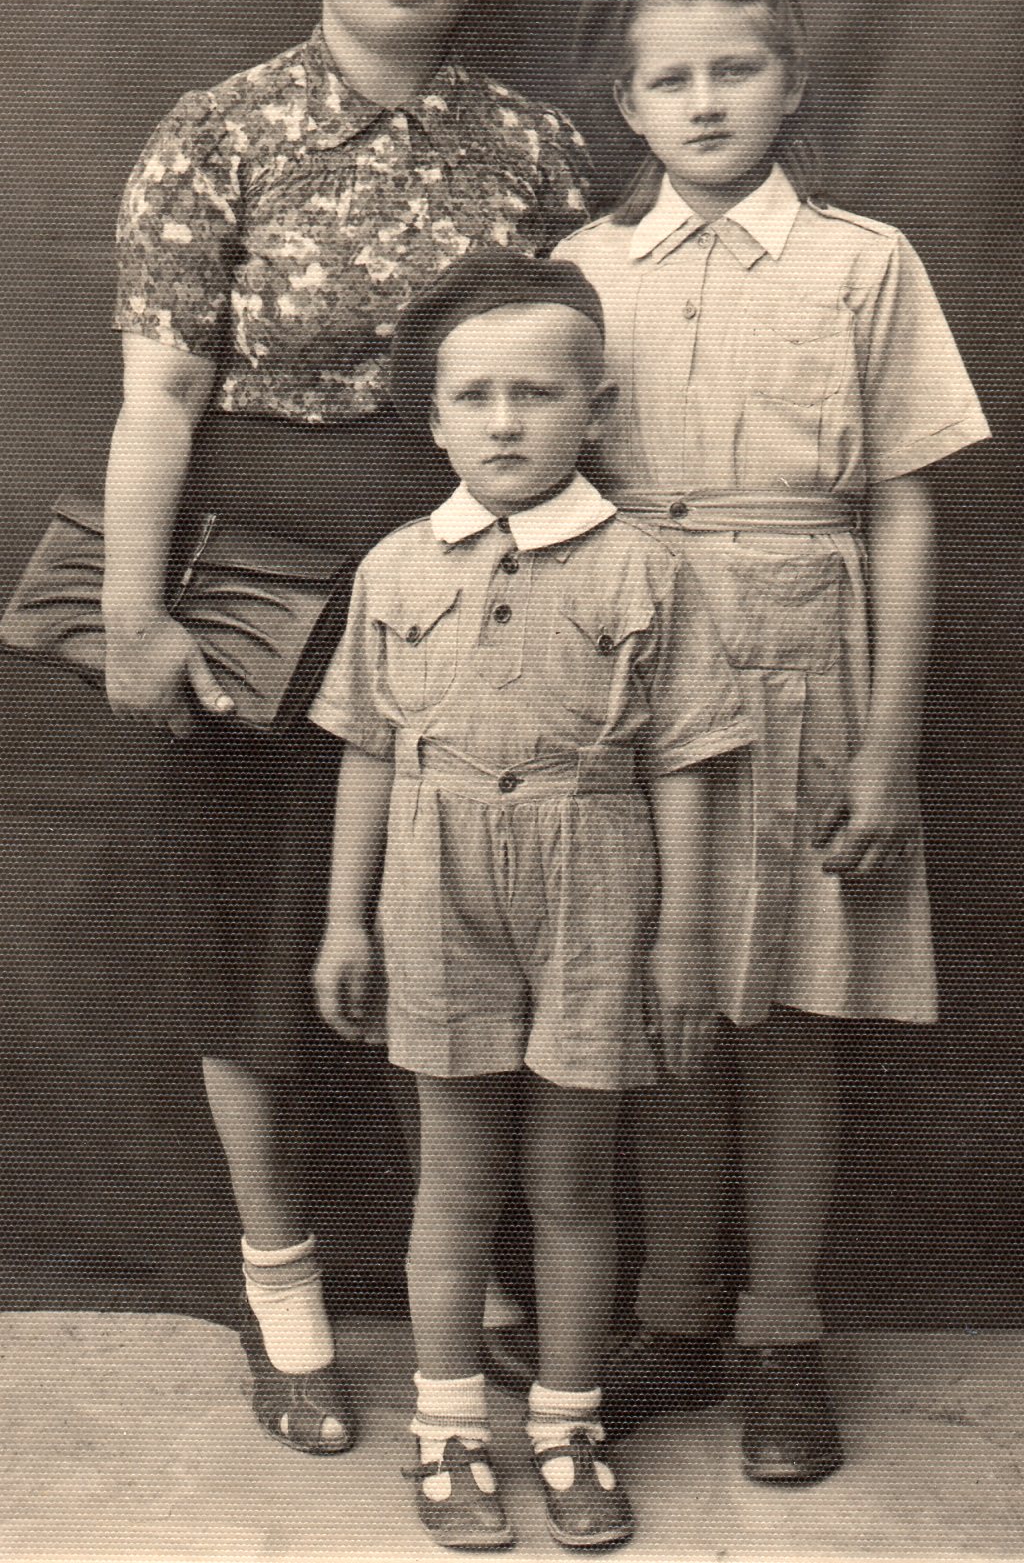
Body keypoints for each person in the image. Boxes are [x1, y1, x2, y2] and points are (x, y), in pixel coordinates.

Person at [101, 0, 591, 1455]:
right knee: (253, 944)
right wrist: (133, 618)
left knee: (448, 926)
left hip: (473, 590)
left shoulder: (531, 147)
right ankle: (285, 1289)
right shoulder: (217, 133)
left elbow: (576, 392)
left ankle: (479, 1294)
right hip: (253, 594)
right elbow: (160, 396)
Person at [544, 0, 991, 1481]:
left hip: (808, 666)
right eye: (671, 79)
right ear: (628, 107)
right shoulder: (584, 272)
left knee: (791, 1017)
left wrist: (888, 745)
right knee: (672, 1015)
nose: (706, 98)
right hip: (635, 678)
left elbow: (908, 509)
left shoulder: (863, 263)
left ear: (790, 82)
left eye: (735, 68)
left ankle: (781, 1330)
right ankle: (672, 1319)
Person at [309, 249, 754, 1549]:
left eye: (535, 394)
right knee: (452, 1184)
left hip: (593, 875)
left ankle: (565, 1426)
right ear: (434, 417)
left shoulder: (643, 570)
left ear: (593, 410)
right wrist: (345, 916)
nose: (504, 422)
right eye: (475, 397)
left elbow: (678, 764)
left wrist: (676, 939)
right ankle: (446, 1438)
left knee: (569, 1184)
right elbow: (366, 750)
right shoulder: (397, 567)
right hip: (432, 879)